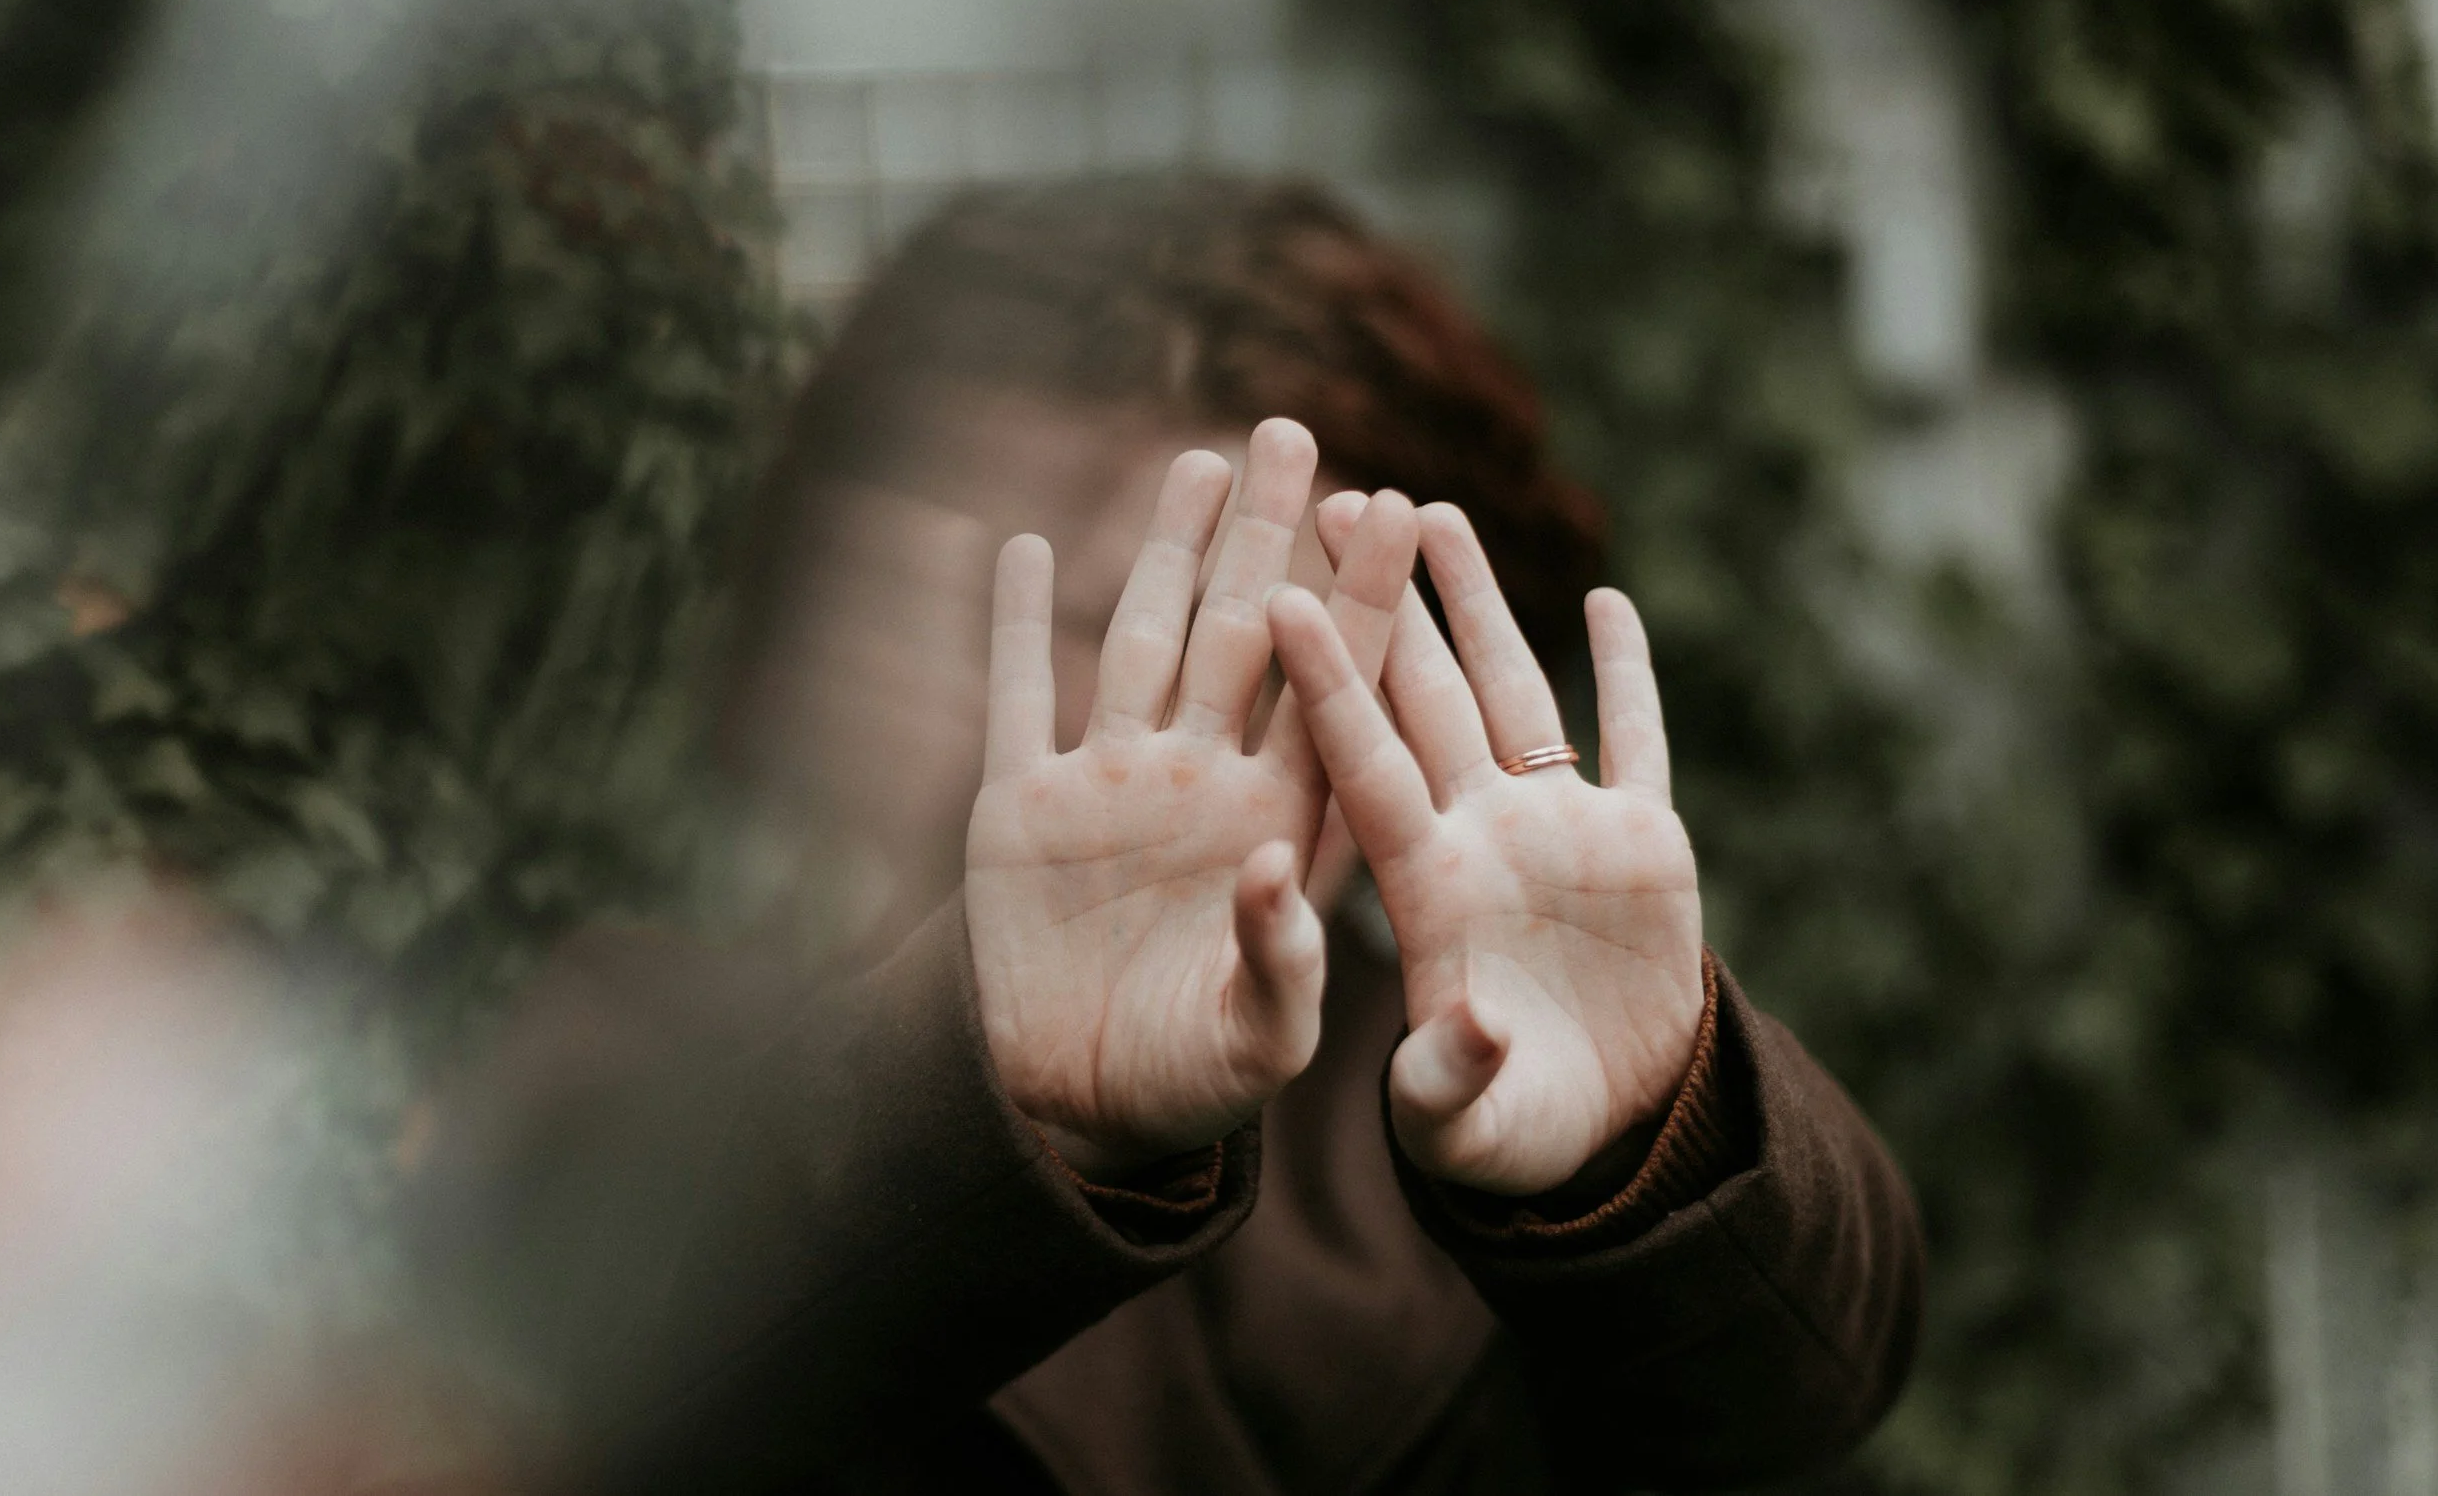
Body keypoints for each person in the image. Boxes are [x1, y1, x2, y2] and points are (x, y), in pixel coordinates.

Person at [415, 176, 1923, 1494]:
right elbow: (582, 1369)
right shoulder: (635, 1042)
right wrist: (1006, 1095)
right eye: (1095, 616)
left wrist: (1654, 1137)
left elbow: (1804, 1390)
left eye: (1293, 651)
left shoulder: (1470, 1098)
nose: (1193, 741)